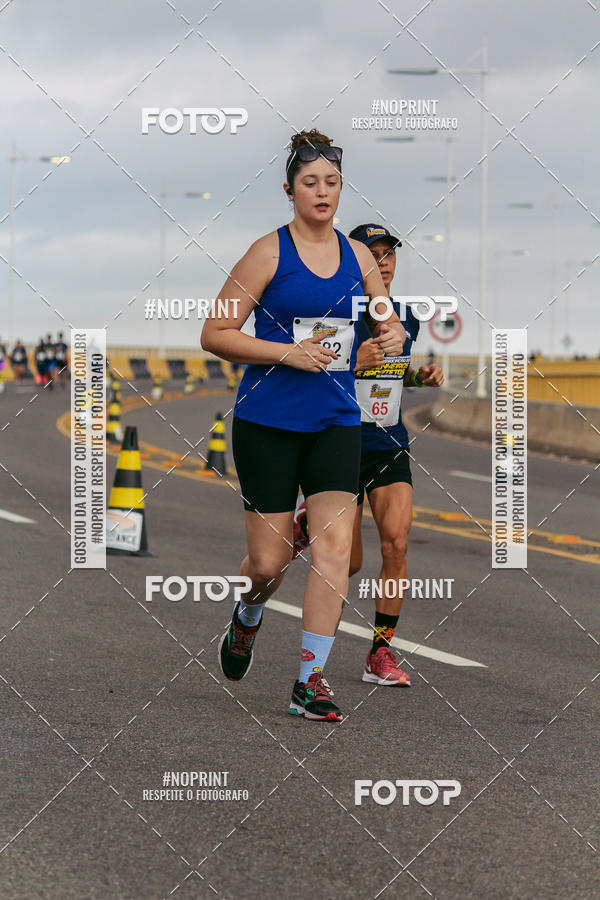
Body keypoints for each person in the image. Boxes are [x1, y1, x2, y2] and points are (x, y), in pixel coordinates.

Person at [201, 129, 407, 722]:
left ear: (341, 191)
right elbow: (215, 333)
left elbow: (384, 324)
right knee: (268, 565)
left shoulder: (360, 257)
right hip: (268, 422)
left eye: (332, 183)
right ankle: (246, 616)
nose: (322, 192)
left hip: (335, 422)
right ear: (290, 189)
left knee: (334, 550)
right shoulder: (268, 253)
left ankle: (309, 680)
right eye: (310, 182)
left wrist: (388, 334)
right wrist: (286, 352)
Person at [349, 224, 444, 686]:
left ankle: (380, 654)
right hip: (339, 441)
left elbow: (389, 377)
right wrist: (353, 364)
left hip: (388, 441)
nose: (383, 261)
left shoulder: (406, 315)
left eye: (389, 254)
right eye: (373, 254)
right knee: (347, 562)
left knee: (398, 543)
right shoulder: (335, 313)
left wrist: (419, 379)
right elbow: (309, 375)